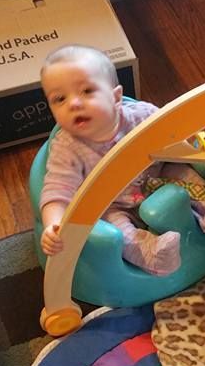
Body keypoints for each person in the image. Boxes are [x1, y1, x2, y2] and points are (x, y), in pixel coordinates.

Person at [38, 45, 183, 275]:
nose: (73, 103)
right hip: (110, 204)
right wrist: (53, 226)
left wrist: (187, 134)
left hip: (158, 177)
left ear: (116, 97)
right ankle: (154, 255)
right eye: (60, 99)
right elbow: (57, 192)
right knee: (115, 233)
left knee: (190, 177)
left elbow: (177, 132)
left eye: (86, 91)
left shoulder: (143, 116)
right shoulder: (67, 149)